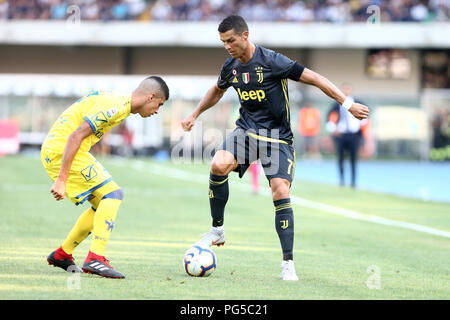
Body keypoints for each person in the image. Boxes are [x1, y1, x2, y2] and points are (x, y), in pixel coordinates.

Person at [181, 15, 369, 281]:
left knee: (279, 190)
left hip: (278, 138)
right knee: (218, 164)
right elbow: (217, 90)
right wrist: (195, 114)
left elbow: (314, 78)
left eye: (231, 40)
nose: (227, 46)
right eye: (223, 42)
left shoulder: (273, 61)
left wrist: (346, 104)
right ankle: (217, 230)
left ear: (245, 35)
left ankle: (287, 263)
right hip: (246, 131)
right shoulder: (230, 66)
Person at [41, 76, 169, 279]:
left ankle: (62, 254)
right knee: (113, 194)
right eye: (159, 105)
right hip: (62, 149)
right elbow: (75, 136)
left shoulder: (120, 105)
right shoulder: (115, 106)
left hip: (66, 149)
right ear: (151, 97)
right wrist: (62, 179)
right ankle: (95, 258)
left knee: (104, 202)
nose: (157, 111)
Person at [326, 83, 367, 188]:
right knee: (340, 158)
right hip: (341, 135)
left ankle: (353, 182)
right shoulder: (336, 104)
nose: (346, 91)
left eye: (348, 89)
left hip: (354, 134)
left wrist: (361, 131)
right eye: (344, 89)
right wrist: (334, 130)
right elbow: (330, 119)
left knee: (354, 158)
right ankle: (342, 181)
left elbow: (365, 118)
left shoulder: (358, 102)